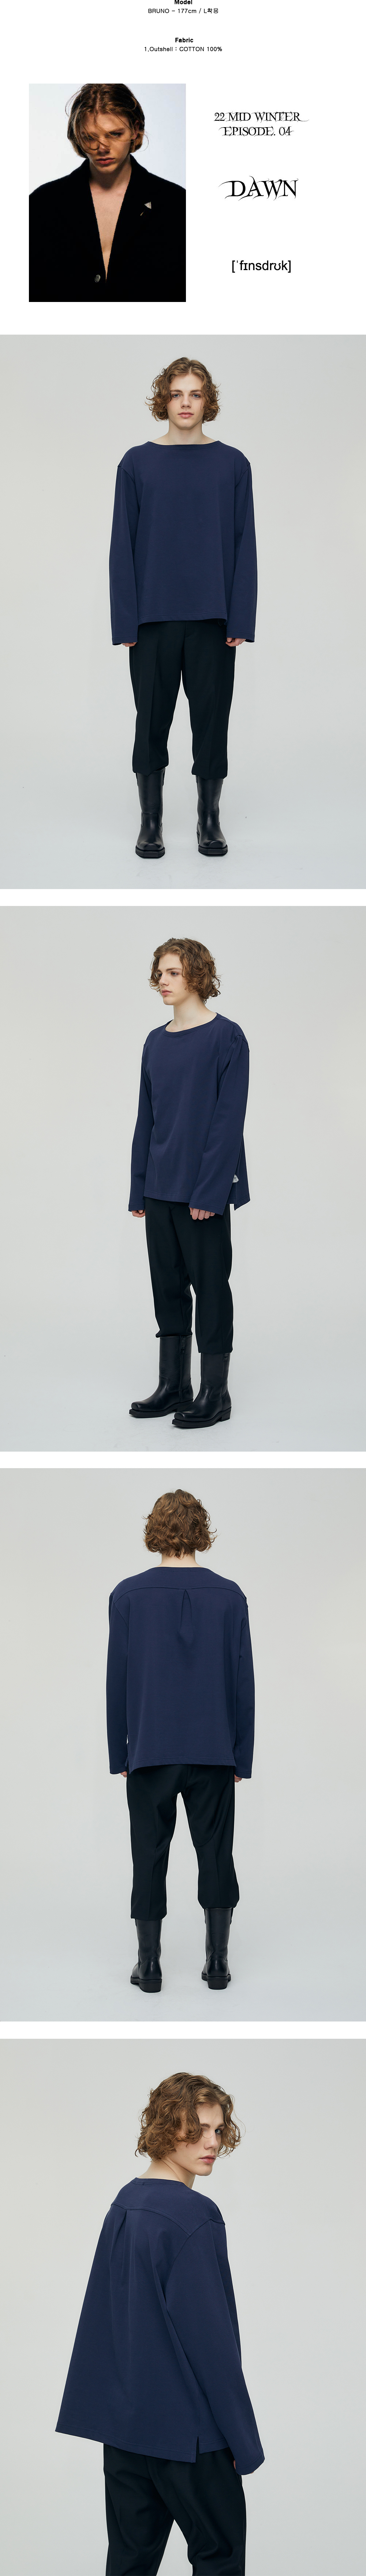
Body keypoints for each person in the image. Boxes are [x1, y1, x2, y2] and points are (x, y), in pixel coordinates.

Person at [56, 2069, 264, 2576]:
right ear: (167, 2127)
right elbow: (211, 2342)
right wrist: (243, 2440)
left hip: (127, 2430)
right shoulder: (194, 2215)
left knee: (130, 2562)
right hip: (191, 2436)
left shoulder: (125, 2203)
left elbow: (107, 2319)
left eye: (219, 2129)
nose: (213, 2142)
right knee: (219, 2559)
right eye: (198, 2128)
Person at [107, 1487, 255, 1994]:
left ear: (156, 1531)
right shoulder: (230, 1597)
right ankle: (218, 1963)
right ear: (201, 1532)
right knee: (217, 1854)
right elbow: (243, 1681)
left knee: (148, 1856)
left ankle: (149, 1966)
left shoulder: (128, 1596)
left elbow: (117, 1679)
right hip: (214, 1749)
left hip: (150, 1749)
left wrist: (120, 1750)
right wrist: (241, 1755)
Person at [109, 354, 257, 858]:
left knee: (212, 723)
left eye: (195, 394)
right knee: (150, 721)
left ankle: (208, 819)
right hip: (152, 618)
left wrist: (241, 616)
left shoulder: (233, 464)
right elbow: (122, 545)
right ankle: (150, 822)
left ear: (207, 401)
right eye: (177, 394)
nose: (186, 403)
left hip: (214, 618)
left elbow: (244, 543)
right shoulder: (136, 463)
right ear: (164, 400)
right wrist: (125, 621)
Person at [129, 937, 250, 1429]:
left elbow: (228, 1121)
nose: (162, 980)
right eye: (160, 972)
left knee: (211, 1288)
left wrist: (210, 1191)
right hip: (159, 1187)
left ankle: (214, 1394)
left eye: (173, 972)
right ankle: (174, 1386)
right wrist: (139, 1186)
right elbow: (147, 1117)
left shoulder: (227, 1037)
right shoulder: (155, 1041)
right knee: (167, 1287)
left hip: (202, 1190)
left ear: (197, 976)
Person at [29, 81, 186, 302]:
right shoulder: (42, 204)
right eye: (90, 137)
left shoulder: (176, 203)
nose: (102, 148)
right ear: (77, 136)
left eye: (115, 134)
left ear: (136, 130)